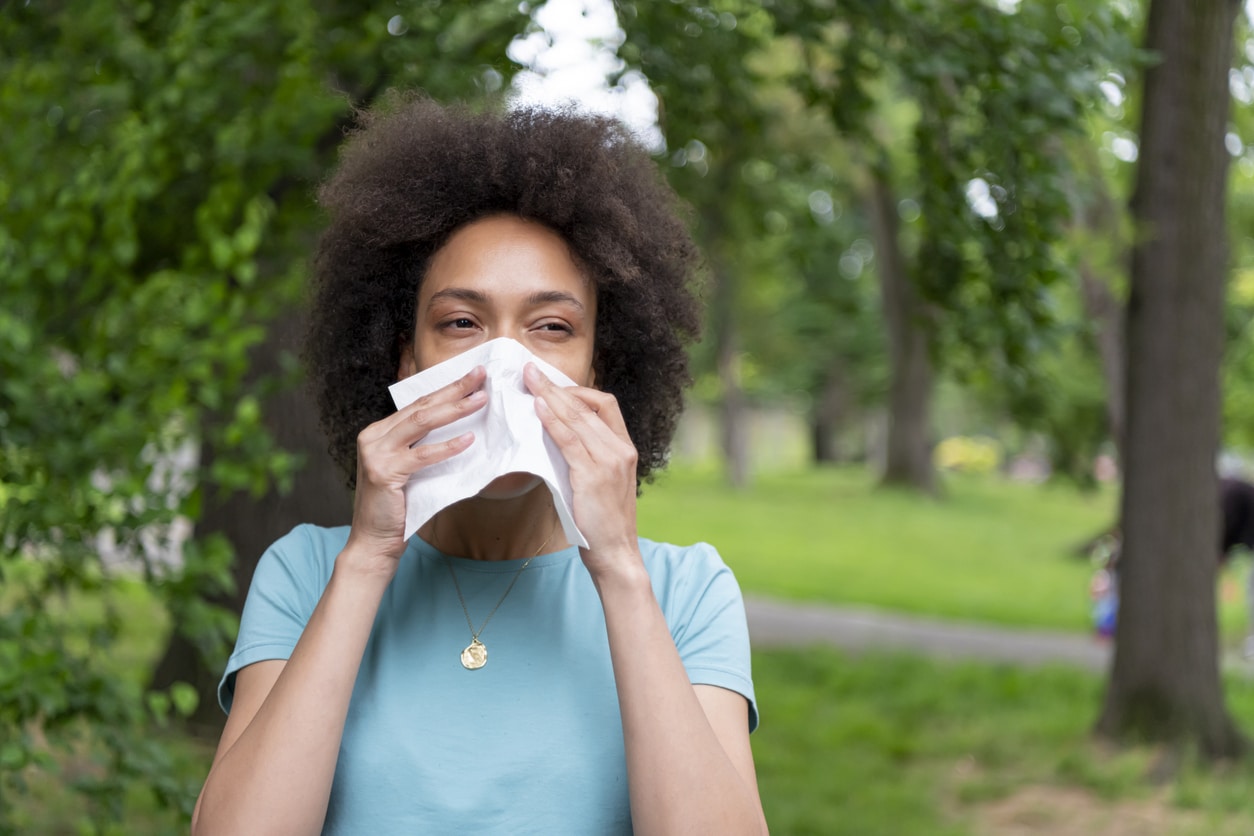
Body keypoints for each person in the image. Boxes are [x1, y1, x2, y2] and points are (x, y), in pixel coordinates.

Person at [191, 94, 766, 835]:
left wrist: (618, 565)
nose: (505, 364)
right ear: (406, 358)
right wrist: (368, 558)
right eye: (462, 323)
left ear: (599, 369)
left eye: (551, 327)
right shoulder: (305, 573)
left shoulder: (686, 593)